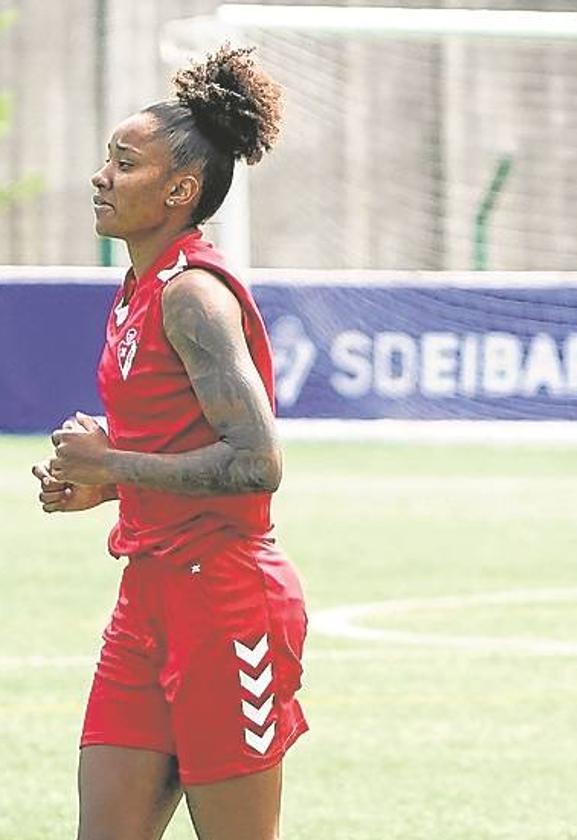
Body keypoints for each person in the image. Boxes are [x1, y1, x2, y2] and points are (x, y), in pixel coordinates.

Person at [31, 45, 305, 840]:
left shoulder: (194, 297)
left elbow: (258, 462)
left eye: (124, 163)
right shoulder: (139, 289)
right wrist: (112, 486)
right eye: (106, 160)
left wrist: (113, 462)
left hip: (226, 605)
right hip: (146, 598)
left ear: (180, 191)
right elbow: (185, 438)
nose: (100, 177)